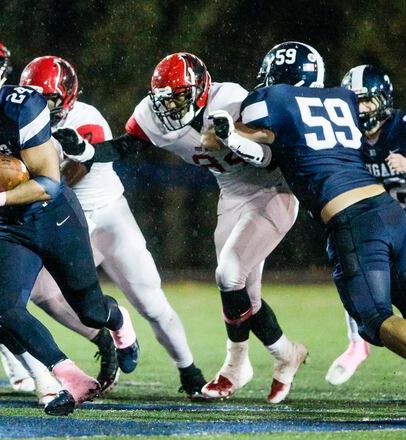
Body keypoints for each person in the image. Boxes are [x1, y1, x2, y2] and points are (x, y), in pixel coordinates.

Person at [54, 52, 306, 403]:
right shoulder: (151, 114)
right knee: (245, 295)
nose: (171, 106)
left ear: (202, 89)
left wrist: (231, 138)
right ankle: (286, 354)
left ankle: (236, 366)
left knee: (229, 275)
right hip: (231, 193)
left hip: (273, 189)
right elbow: (127, 147)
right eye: (165, 98)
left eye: (179, 96)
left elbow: (271, 155)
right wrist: (86, 150)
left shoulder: (232, 99)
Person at [211, 41, 406, 412]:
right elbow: (271, 148)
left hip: (352, 220)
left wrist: (229, 135)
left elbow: (231, 137)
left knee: (374, 318)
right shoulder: (340, 99)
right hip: (388, 209)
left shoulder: (275, 99)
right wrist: (239, 140)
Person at [0, 41, 139, 416]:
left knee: (90, 311)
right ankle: (70, 377)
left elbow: (51, 182)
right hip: (10, 227)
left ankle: (118, 323)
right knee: (1, 309)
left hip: (53, 215)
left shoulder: (22, 107)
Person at [18, 55, 206, 397]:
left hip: (106, 217)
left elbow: (71, 176)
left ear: (68, 96)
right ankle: (106, 340)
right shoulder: (18, 121)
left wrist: (27, 186)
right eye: (34, 99)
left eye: (49, 100)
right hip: (68, 223)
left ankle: (189, 371)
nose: (41, 108)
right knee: (42, 293)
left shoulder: (85, 117)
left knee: (150, 301)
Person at [325, 65, 406, 394]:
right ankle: (358, 344)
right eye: (354, 102)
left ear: (383, 100)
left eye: (365, 101)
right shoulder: (344, 134)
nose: (360, 109)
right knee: (364, 288)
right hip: (373, 226)